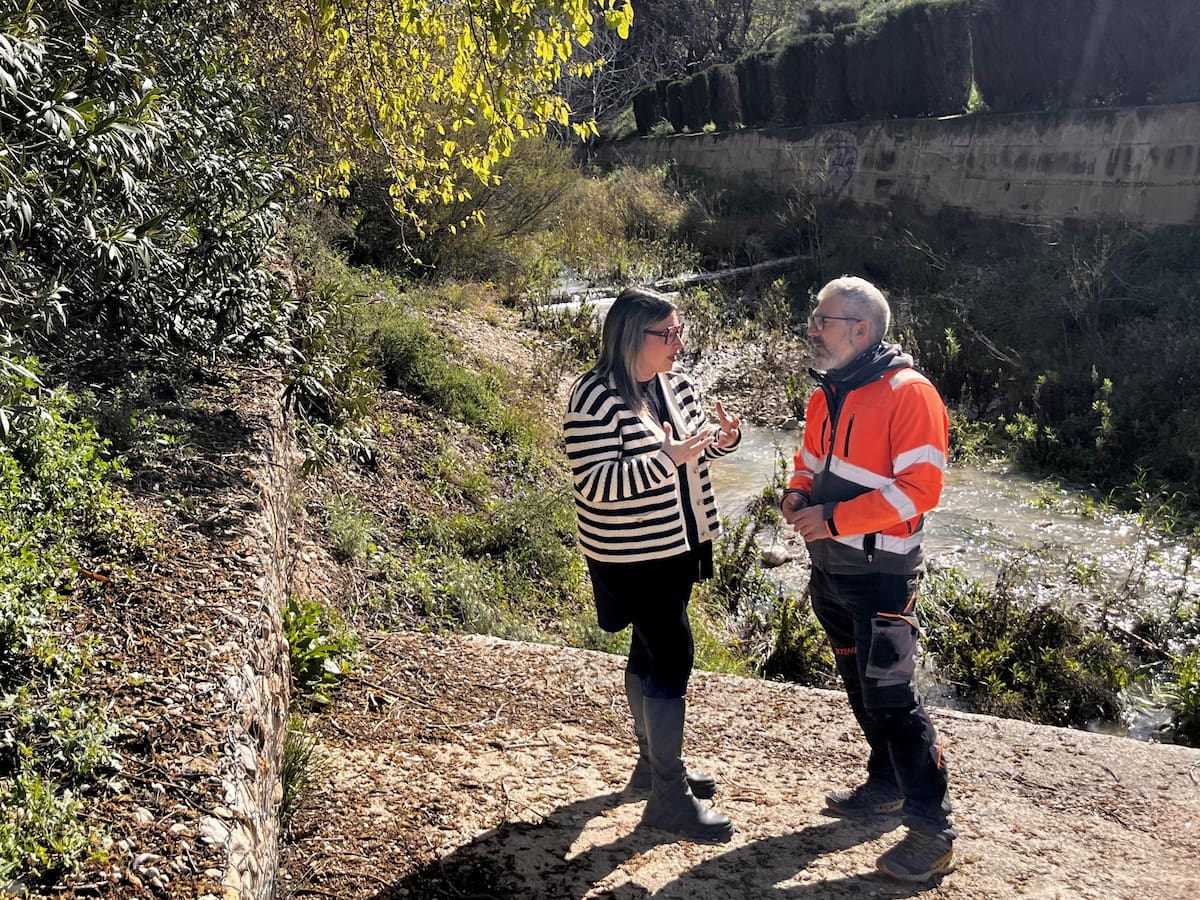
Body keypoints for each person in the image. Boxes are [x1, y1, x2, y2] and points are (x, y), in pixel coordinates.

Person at [780, 275, 957, 882]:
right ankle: (884, 783)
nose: (811, 328)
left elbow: (919, 490)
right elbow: (810, 458)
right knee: (859, 684)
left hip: (884, 576)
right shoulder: (828, 390)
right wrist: (797, 491)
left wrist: (831, 517)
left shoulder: (911, 394)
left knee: (893, 697)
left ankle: (933, 832)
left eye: (820, 319)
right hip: (831, 568)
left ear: (860, 329)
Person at [563, 286, 741, 843]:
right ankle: (669, 796)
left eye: (680, 331)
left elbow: (694, 450)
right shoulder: (592, 397)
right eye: (668, 334)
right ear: (631, 336)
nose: (680, 344)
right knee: (672, 655)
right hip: (633, 554)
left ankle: (653, 768)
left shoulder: (675, 385)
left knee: (650, 647)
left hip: (681, 542)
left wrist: (722, 443)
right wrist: (667, 457)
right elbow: (594, 485)